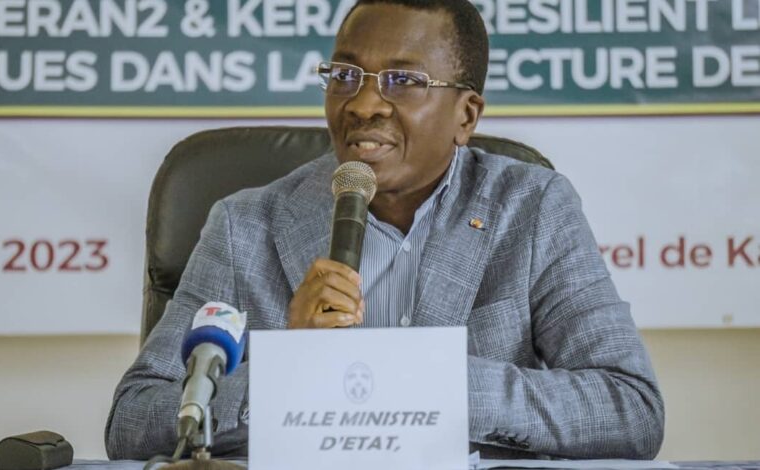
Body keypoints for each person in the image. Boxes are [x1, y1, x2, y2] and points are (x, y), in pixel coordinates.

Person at [106, 0, 664, 460]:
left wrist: (425, 379)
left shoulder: (531, 208)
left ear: (466, 116)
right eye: (345, 75)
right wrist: (287, 371)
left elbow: (630, 408)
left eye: (403, 80)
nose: (364, 103)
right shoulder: (244, 224)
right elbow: (134, 420)